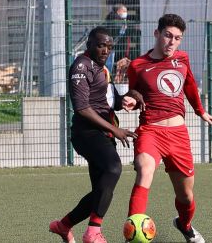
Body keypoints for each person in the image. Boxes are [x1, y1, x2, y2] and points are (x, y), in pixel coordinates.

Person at [126, 14, 212, 243]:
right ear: (157, 34)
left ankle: (184, 225)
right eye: (168, 35)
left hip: (178, 134)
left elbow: (190, 85)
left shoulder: (182, 59)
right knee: (144, 169)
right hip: (150, 130)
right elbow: (135, 95)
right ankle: (133, 234)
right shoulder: (137, 66)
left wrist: (200, 110)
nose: (172, 42)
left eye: (177, 38)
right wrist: (130, 101)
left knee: (185, 196)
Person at [49, 26, 143, 243]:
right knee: (113, 168)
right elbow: (82, 108)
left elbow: (111, 101)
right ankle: (93, 233)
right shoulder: (81, 66)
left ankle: (63, 226)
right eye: (101, 45)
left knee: (102, 191)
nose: (106, 50)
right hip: (87, 133)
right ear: (90, 44)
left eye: (109, 47)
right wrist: (115, 129)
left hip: (103, 134)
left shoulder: (103, 68)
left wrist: (130, 97)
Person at [104, 4, 141, 83]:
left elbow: (130, 34)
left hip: (123, 49)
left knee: (121, 67)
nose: (126, 13)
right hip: (114, 49)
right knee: (112, 67)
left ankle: (118, 81)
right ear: (118, 12)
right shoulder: (111, 21)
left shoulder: (125, 22)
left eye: (126, 11)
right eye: (124, 11)